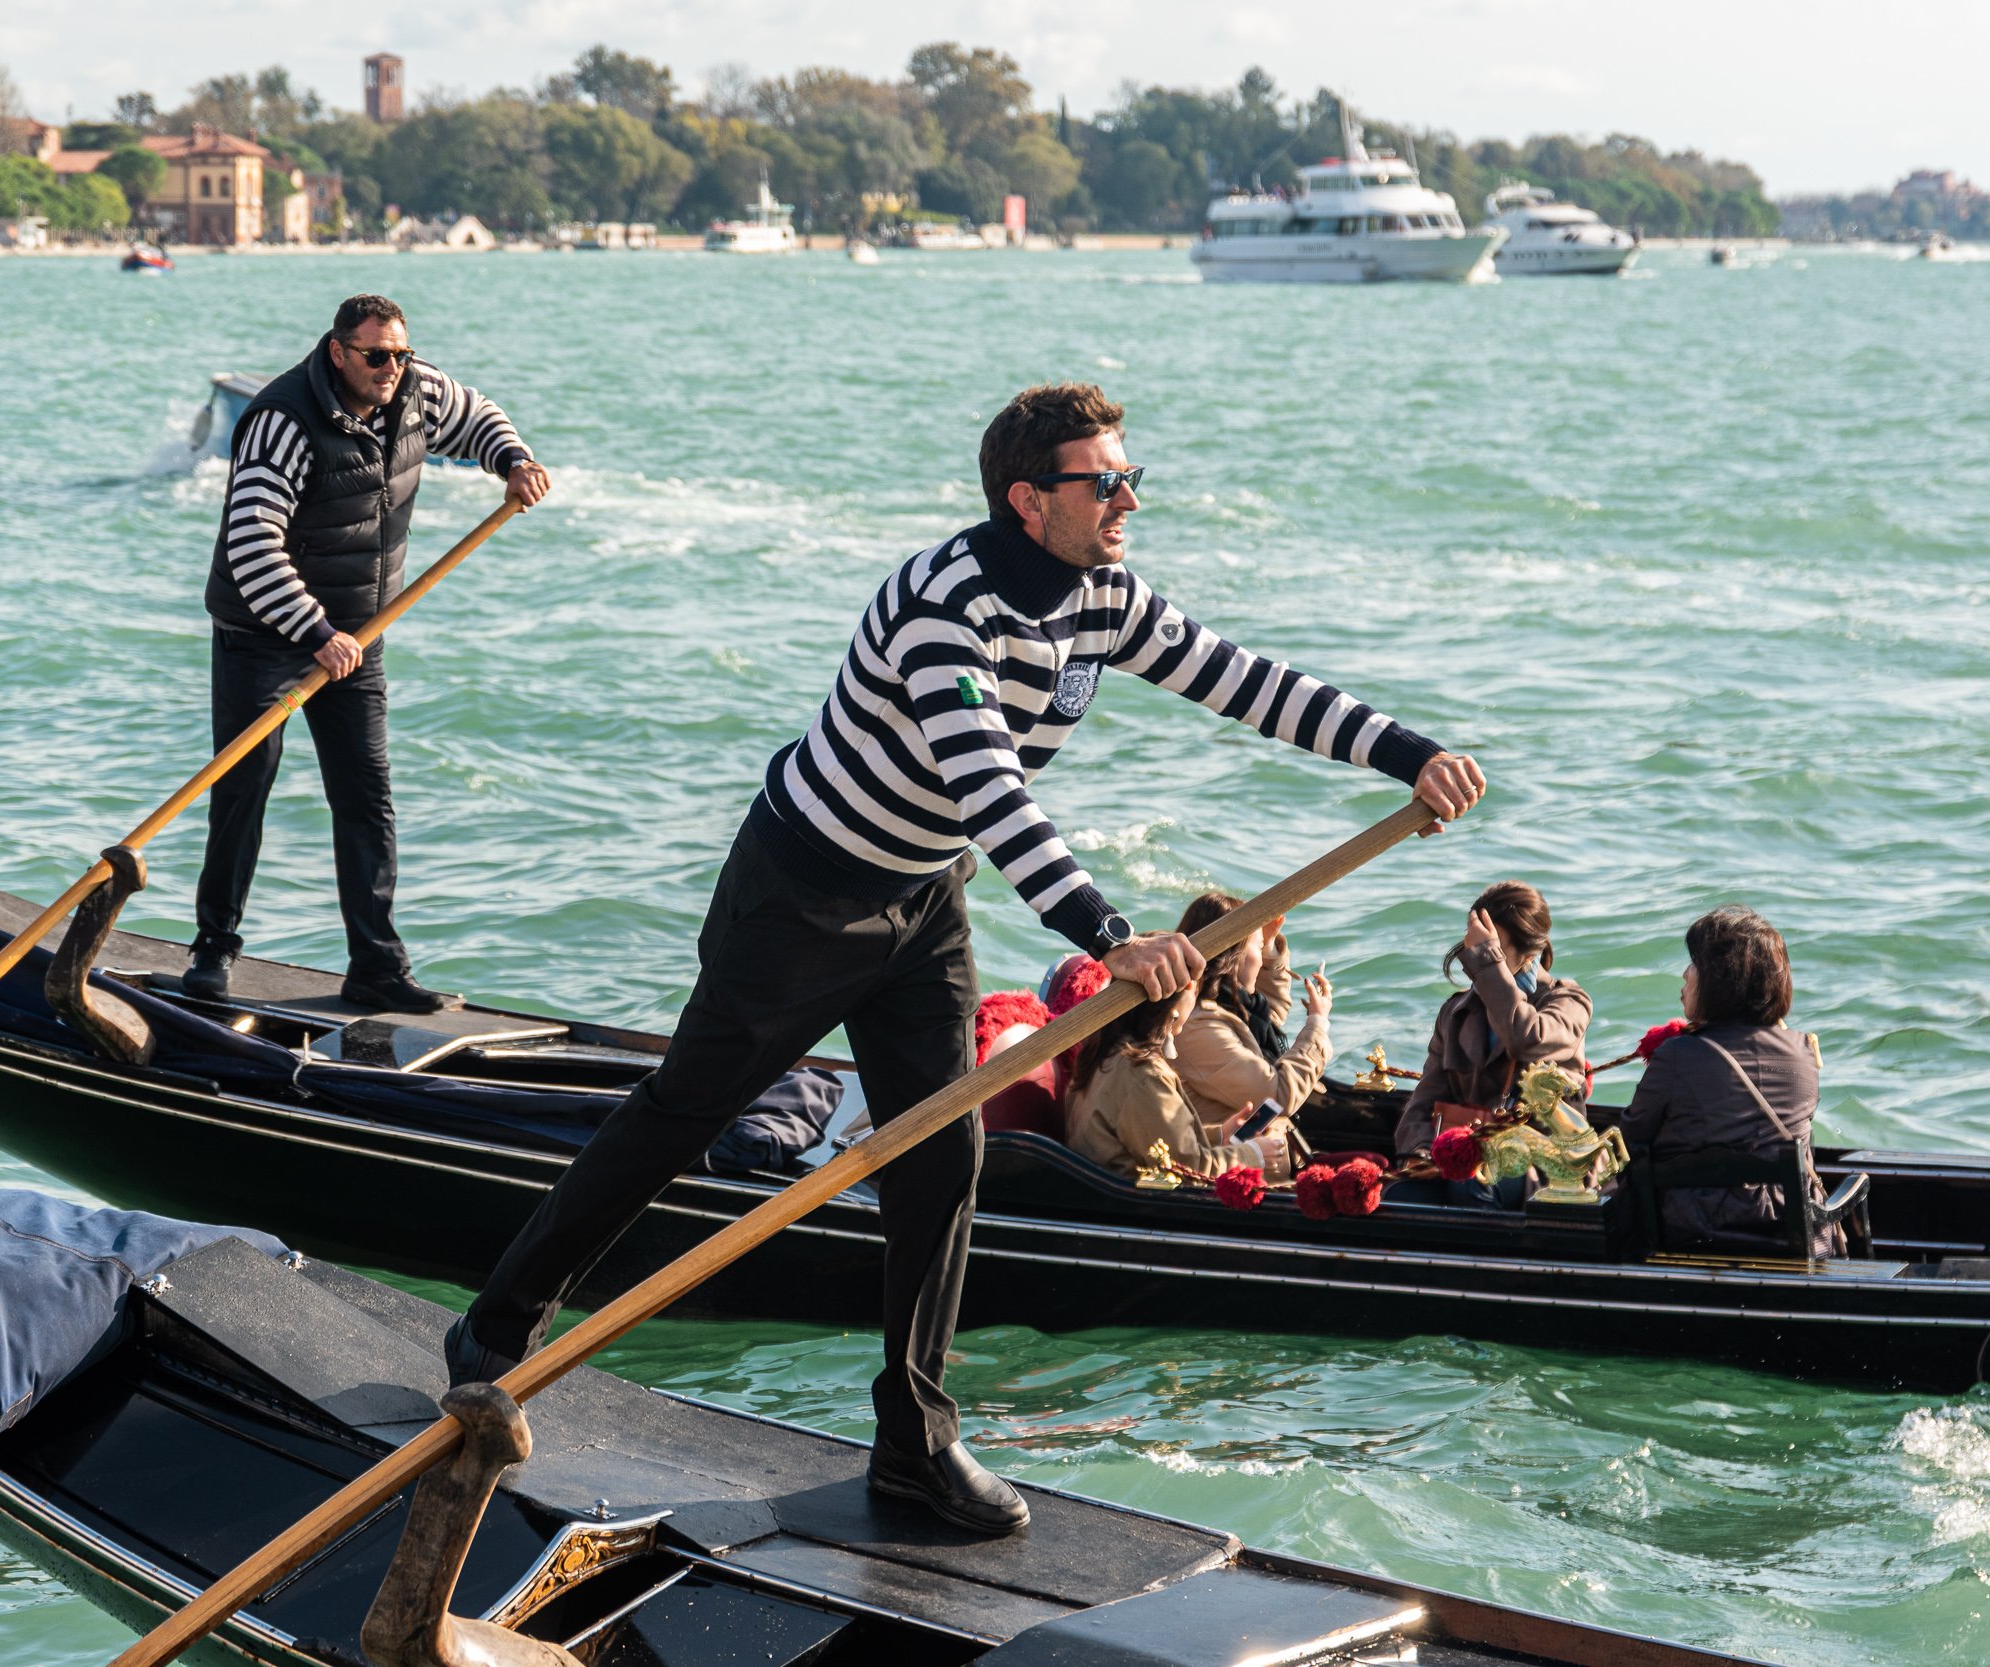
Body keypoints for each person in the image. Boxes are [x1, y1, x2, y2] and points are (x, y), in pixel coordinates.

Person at [448, 382, 1484, 1536]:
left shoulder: (1102, 594)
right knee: (683, 1111)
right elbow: (989, 789)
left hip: (922, 898)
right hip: (802, 892)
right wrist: (1107, 933)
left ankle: (912, 1441)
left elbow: (1244, 682)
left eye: (1130, 477)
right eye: (1106, 483)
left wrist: (1407, 752)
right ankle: (497, 1323)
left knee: (944, 1157)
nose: (1129, 499)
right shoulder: (946, 604)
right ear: (1028, 499)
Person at [185, 295, 551, 1011]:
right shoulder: (281, 422)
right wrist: (316, 633)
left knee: (366, 797)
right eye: (376, 356)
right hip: (266, 633)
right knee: (242, 794)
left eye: (401, 354)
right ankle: (212, 951)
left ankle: (376, 966)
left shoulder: (417, 391)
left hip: (356, 635)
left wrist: (512, 459)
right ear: (338, 352)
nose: (392, 369)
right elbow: (251, 546)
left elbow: (478, 414)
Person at [1619, 906, 1839, 1254]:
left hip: (1697, 1234)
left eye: (1694, 965)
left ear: (1720, 981)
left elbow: (1631, 1140)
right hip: (1791, 1233)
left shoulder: (1678, 1055)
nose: (1685, 974)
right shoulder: (1804, 1052)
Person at [1394, 882, 1592, 1189]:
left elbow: (1526, 1039)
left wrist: (1488, 963)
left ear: (1530, 951)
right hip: (1469, 1162)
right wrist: (1421, 1151)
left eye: (1492, 945)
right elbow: (1424, 1100)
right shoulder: (1456, 1012)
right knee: (1402, 1192)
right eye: (1477, 944)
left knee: (1476, 1187)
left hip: (1543, 1170)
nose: (1476, 954)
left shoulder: (1568, 1002)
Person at [1169, 894, 1331, 1152]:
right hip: (1237, 1170)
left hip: (1263, 1151)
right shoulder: (1198, 1028)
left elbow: (1269, 1017)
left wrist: (1267, 949)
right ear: (1235, 957)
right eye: (1257, 946)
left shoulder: (1224, 1003)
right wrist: (1318, 1025)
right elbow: (1277, 1095)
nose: (1260, 954)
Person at [1068, 983, 1273, 1178]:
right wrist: (1253, 1155)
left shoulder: (1110, 1049)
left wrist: (1219, 1135)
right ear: (1189, 987)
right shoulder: (1143, 1075)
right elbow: (1187, 1170)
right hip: (1138, 1205)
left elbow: (1159, 1140)